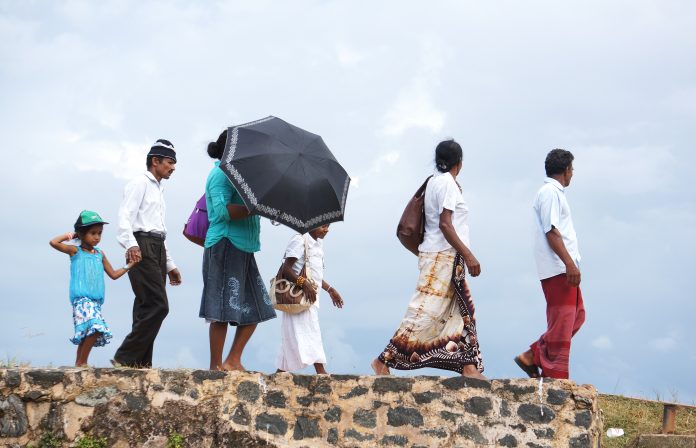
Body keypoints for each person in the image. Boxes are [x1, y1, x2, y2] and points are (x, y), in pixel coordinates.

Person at [372, 139, 485, 379]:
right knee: (424, 310)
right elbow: (445, 224)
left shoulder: (435, 182)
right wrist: (469, 254)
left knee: (462, 310)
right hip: (442, 256)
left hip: (442, 256)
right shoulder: (447, 184)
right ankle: (384, 359)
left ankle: (468, 366)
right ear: (459, 163)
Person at [200, 130, 276, 371]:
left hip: (244, 247)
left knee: (257, 306)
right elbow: (222, 211)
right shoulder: (220, 175)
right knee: (221, 307)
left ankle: (233, 359)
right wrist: (254, 208)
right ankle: (215, 365)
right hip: (224, 243)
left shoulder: (243, 178)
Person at [515, 149, 584, 379]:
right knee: (563, 320)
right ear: (566, 170)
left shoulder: (554, 193)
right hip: (557, 268)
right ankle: (555, 375)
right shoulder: (549, 192)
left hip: (561, 266)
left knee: (577, 315)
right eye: (572, 169)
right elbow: (551, 231)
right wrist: (569, 264)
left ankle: (533, 354)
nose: (572, 174)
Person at [112, 139, 182, 368]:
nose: (173, 167)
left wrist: (170, 264)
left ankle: (140, 364)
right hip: (141, 244)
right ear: (155, 161)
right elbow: (125, 217)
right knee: (158, 305)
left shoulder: (159, 189)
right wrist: (131, 245)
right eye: (170, 162)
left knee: (145, 306)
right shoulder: (139, 183)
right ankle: (124, 357)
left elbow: (159, 230)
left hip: (157, 246)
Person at [49, 210, 137, 366]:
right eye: (92, 233)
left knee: (86, 334)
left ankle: (78, 364)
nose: (97, 237)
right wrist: (73, 235)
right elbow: (54, 242)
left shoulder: (99, 254)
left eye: (99, 233)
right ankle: (82, 362)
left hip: (95, 302)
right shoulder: (75, 251)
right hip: (82, 299)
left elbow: (114, 274)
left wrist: (130, 265)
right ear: (82, 234)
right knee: (96, 328)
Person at [275, 224, 345, 374]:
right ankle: (320, 370)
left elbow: (315, 274)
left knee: (292, 334)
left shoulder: (318, 244)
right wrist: (303, 283)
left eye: (328, 226)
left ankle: (280, 371)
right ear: (312, 224)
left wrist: (330, 289)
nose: (327, 230)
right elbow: (286, 270)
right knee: (310, 331)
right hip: (298, 296)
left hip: (311, 296)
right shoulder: (299, 240)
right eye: (323, 226)